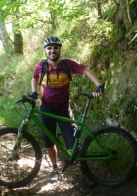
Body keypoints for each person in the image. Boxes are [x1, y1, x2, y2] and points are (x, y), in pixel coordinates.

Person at [30, 35, 105, 186]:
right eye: (49, 48)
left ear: (59, 50)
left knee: (73, 142)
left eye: (55, 48)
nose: (52, 51)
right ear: (45, 51)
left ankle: (85, 172)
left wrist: (99, 85)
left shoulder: (68, 64)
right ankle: (55, 169)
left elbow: (86, 71)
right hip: (46, 107)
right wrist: (33, 91)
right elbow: (35, 77)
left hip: (64, 108)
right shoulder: (41, 66)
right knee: (49, 141)